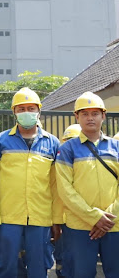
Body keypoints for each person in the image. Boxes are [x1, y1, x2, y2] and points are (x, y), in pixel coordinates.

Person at [0, 87, 61, 278]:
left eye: (31, 108)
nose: (26, 112)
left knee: (39, 267)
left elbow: (56, 185)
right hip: (8, 217)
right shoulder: (2, 140)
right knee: (5, 265)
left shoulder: (52, 143)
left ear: (39, 110)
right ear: (14, 112)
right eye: (21, 109)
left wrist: (56, 219)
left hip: (41, 217)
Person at [56, 92, 119, 277]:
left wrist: (107, 218)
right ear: (77, 117)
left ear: (103, 116)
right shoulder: (67, 149)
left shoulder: (116, 148)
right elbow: (65, 190)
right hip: (81, 227)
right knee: (82, 274)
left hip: (114, 224)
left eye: (95, 113)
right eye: (84, 114)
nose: (90, 118)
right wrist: (93, 217)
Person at [52, 123, 80, 278]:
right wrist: (56, 221)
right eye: (67, 140)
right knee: (62, 255)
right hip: (63, 219)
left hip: (80, 219)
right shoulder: (59, 163)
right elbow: (56, 194)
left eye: (73, 140)